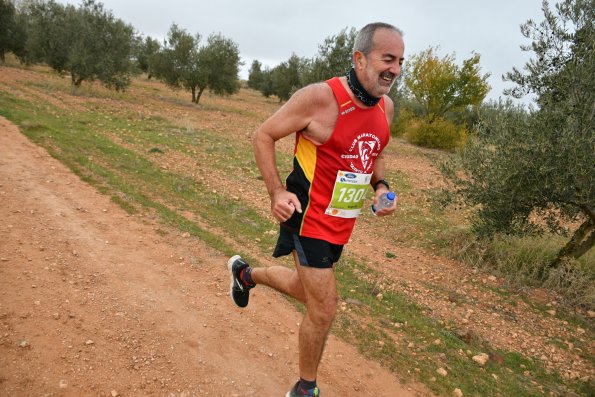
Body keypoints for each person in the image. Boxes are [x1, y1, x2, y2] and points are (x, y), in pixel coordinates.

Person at [228, 22, 404, 397]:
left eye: (401, 61)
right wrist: (275, 191)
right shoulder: (320, 98)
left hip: (342, 222)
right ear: (359, 58)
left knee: (305, 291)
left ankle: (246, 275)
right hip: (306, 217)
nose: (396, 70)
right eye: (388, 59)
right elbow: (263, 134)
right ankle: (305, 389)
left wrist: (382, 187)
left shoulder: (385, 107)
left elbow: (376, 151)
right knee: (324, 308)